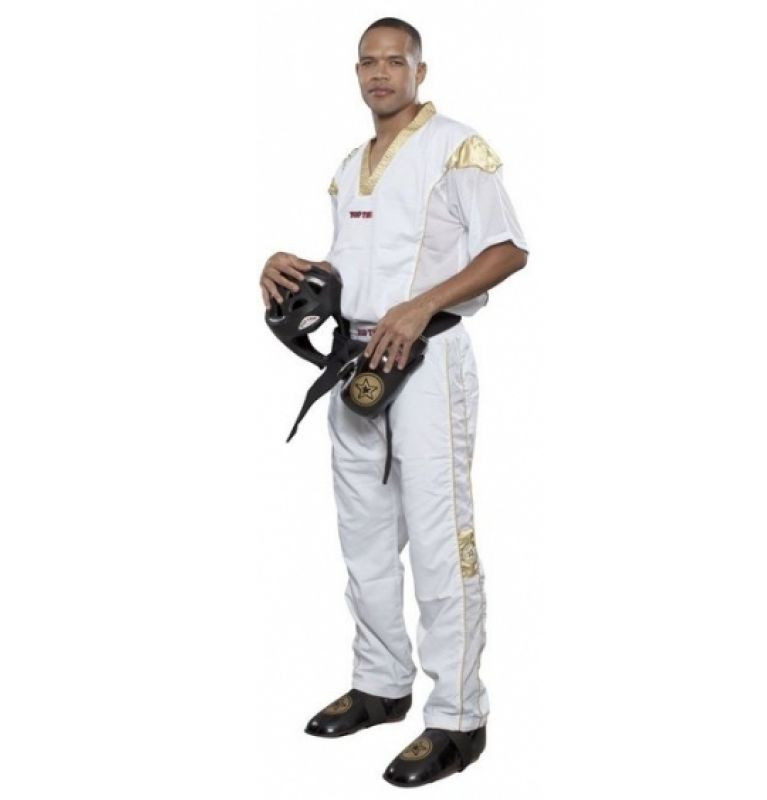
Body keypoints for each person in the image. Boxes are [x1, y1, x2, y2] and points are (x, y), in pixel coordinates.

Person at [259, 17, 529, 788]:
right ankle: (381, 684)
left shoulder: (456, 148)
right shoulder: (351, 167)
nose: (380, 73)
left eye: (394, 61)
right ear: (357, 73)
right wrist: (291, 269)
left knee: (441, 537)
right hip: (356, 364)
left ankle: (458, 719)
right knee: (365, 537)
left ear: (419, 70)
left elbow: (508, 248)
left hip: (428, 361)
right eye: (368, 63)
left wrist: (421, 305)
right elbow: (357, 267)